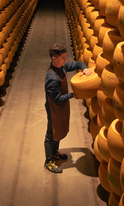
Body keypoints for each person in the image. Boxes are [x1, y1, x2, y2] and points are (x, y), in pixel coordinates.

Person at [44, 43, 92, 173]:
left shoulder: (62, 67)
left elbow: (77, 64)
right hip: (54, 109)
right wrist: (72, 95)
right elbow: (56, 98)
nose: (65, 60)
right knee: (51, 134)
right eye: (63, 58)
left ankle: (55, 153)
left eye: (65, 58)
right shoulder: (52, 78)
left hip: (61, 108)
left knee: (58, 131)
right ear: (54, 59)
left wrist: (85, 68)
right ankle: (48, 161)